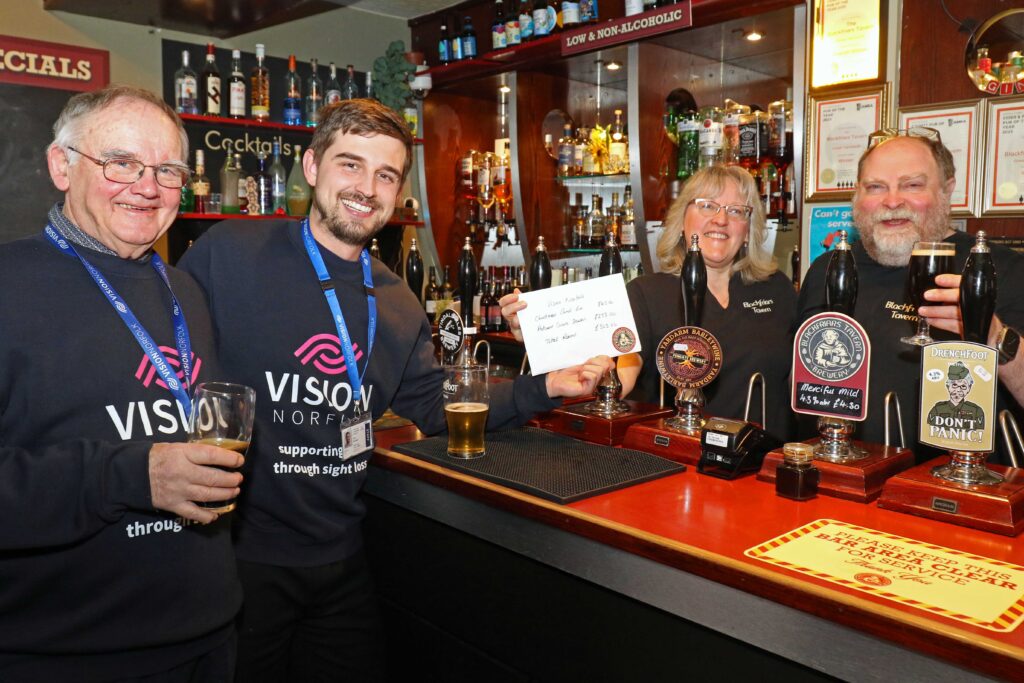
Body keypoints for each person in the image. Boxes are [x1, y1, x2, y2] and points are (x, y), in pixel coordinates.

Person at [177, 99, 612, 682]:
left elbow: (435, 409)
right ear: (312, 168)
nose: (366, 188)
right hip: (235, 558)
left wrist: (547, 385)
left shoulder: (398, 301)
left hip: (342, 559)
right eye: (350, 165)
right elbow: (162, 356)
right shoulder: (229, 255)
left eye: (385, 175)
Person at [0, 85, 243, 681]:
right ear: (62, 165)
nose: (148, 186)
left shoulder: (182, 288)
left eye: (166, 170)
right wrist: (127, 476)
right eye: (122, 163)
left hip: (208, 636)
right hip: (67, 654)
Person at [504, 166, 797, 437]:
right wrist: (539, 332)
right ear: (683, 220)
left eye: (736, 210)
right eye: (707, 205)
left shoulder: (777, 289)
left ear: (748, 229)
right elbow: (615, 380)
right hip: (678, 464)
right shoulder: (647, 293)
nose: (721, 219)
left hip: (768, 466)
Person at [798, 129, 1024, 462]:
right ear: (857, 197)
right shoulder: (829, 268)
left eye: (912, 185)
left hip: (958, 497)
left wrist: (995, 338)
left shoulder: (1000, 270)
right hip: (842, 482)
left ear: (947, 190)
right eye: (876, 187)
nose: (892, 201)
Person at [926, 361, 984, 428]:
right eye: (954, 385)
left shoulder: (976, 411)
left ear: (969, 388)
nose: (958, 390)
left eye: (963, 386)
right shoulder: (937, 409)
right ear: (948, 386)